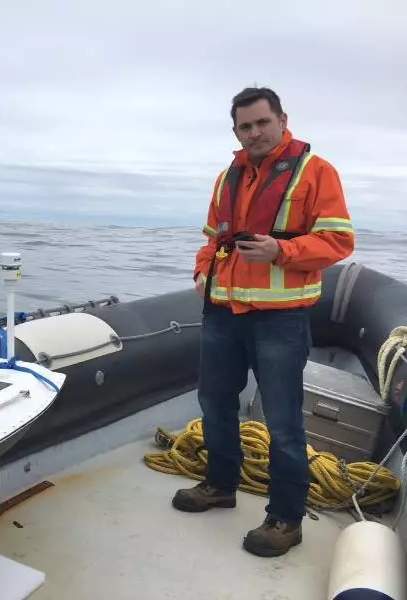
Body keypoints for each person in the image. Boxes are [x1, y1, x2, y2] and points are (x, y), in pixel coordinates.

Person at [173, 87, 355, 557]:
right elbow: (212, 239)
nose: (254, 133)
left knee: (283, 422)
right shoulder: (226, 178)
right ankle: (220, 485)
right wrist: (201, 272)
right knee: (215, 403)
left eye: (262, 123)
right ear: (236, 131)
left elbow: (338, 241)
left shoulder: (316, 172)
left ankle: (286, 519)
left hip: (280, 320)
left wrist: (282, 250)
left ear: (282, 120)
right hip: (222, 313)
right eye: (245, 126)